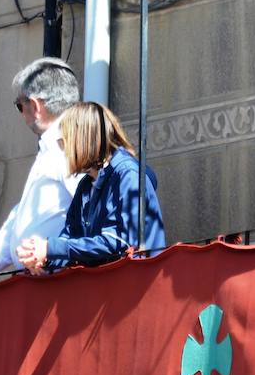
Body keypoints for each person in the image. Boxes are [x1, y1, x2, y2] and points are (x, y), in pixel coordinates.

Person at [0, 57, 81, 284]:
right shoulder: (52, 148)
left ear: (35, 106)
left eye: (20, 105)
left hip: (60, 285)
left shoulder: (72, 146)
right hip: (42, 283)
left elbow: (92, 214)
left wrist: (53, 254)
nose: (21, 113)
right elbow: (20, 221)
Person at [15, 101, 166, 272]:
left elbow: (119, 242)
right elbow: (70, 238)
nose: (61, 150)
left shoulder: (128, 175)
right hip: (108, 290)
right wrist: (42, 258)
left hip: (137, 287)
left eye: (63, 142)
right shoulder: (86, 185)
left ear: (82, 140)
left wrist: (50, 249)